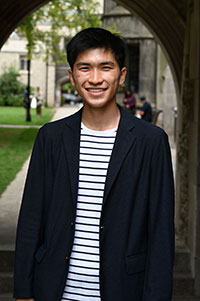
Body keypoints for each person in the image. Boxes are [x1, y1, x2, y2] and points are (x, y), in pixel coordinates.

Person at [14, 27, 174, 301]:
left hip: (124, 291)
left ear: (121, 75)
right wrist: (24, 292)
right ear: (73, 77)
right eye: (85, 68)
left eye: (106, 67)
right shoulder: (50, 138)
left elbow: (160, 233)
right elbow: (31, 220)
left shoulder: (151, 142)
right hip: (54, 291)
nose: (95, 79)